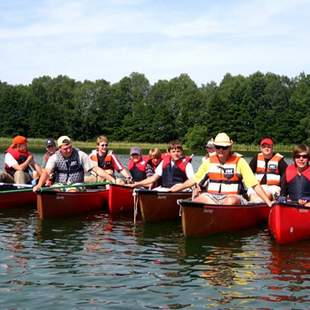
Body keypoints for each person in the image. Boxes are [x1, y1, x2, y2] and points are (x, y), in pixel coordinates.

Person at [170, 133, 272, 207]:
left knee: (230, 201)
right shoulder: (209, 161)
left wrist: (268, 202)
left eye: (224, 147)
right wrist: (177, 188)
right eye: (218, 147)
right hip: (212, 197)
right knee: (197, 201)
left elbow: (254, 184)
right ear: (214, 147)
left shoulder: (240, 162)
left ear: (230, 147)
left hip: (233, 197)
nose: (221, 150)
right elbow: (194, 180)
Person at [33, 136, 115, 191]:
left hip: (77, 184)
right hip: (60, 184)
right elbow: (46, 172)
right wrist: (39, 185)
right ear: (59, 148)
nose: (69, 150)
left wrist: (111, 179)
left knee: (72, 190)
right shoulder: (54, 157)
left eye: (70, 147)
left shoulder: (80, 154)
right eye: (65, 149)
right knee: (53, 191)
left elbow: (96, 169)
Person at [128, 140, 194, 190]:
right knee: (151, 193)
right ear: (169, 152)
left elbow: (192, 180)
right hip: (165, 189)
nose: (176, 154)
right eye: (173, 151)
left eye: (178, 151)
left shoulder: (187, 164)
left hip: (181, 190)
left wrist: (180, 187)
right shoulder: (164, 163)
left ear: (182, 152)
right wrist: (137, 183)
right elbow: (154, 178)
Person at [248, 137, 287, 202]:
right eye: (264, 146)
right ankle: (255, 208)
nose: (266, 148)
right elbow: (248, 175)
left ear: (272, 147)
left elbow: (285, 178)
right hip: (258, 187)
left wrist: (283, 194)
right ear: (260, 148)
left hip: (273, 188)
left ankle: (260, 207)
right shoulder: (256, 159)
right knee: (253, 196)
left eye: (269, 146)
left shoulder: (280, 161)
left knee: (267, 194)